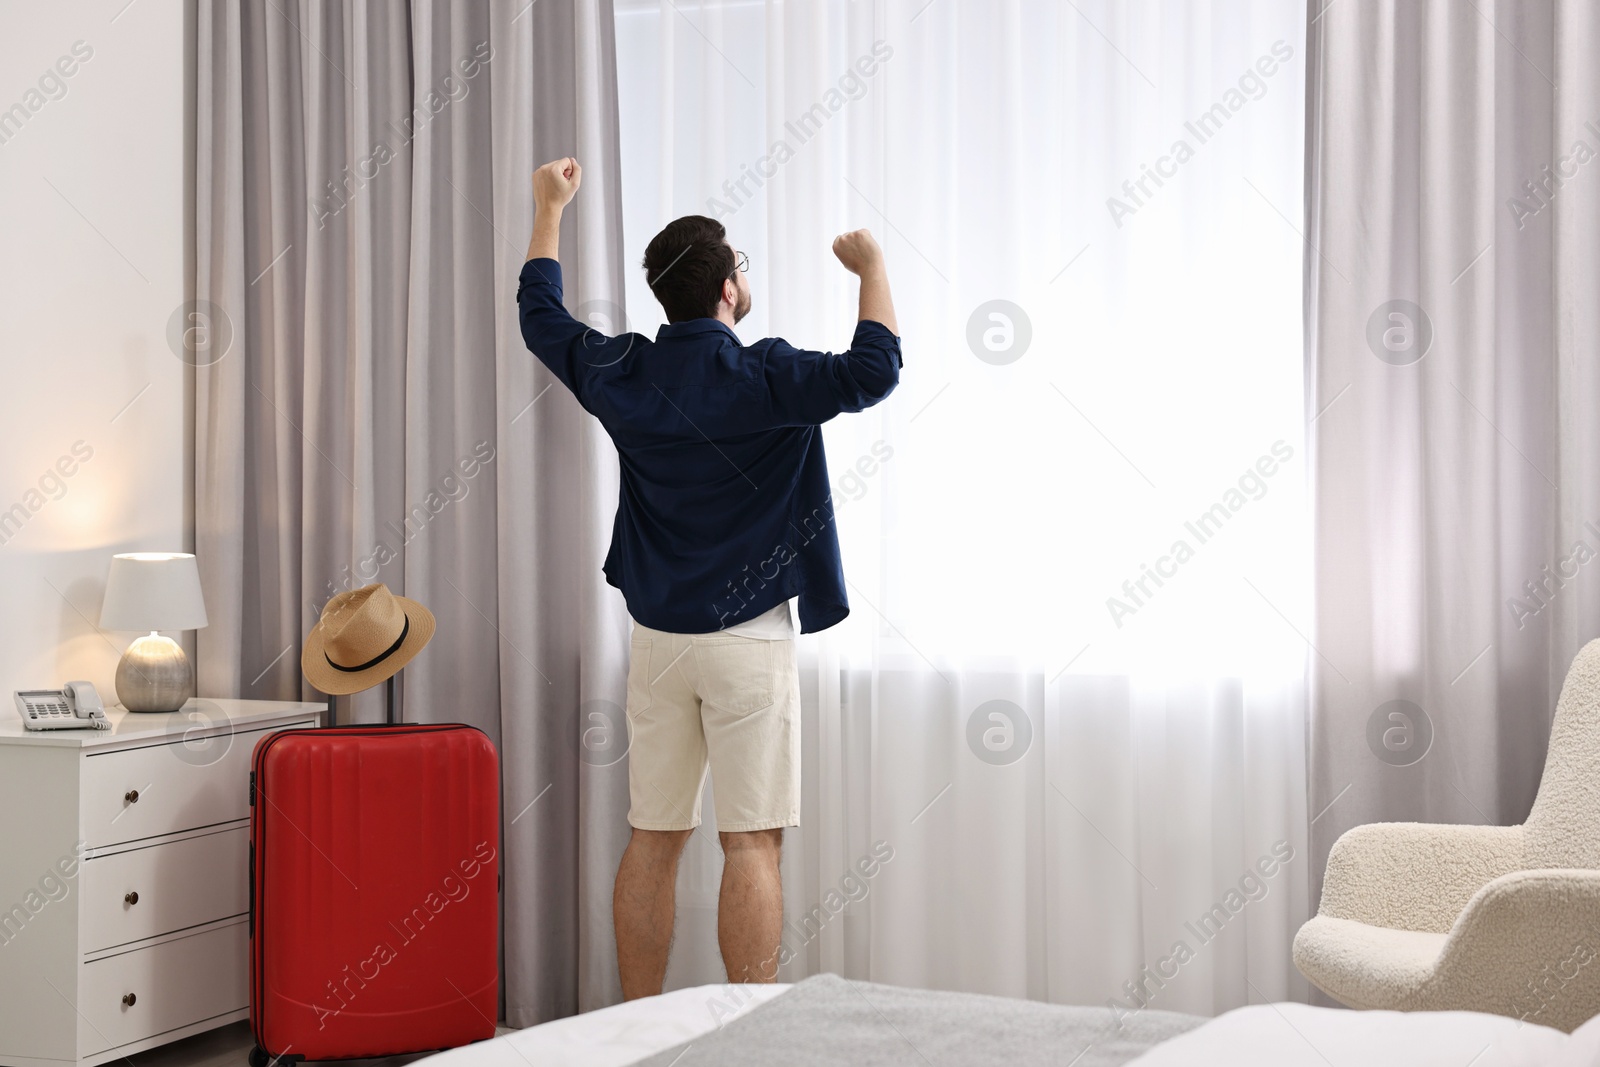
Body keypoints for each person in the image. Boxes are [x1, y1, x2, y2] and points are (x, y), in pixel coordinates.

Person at [516, 156, 901, 999]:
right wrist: (872, 269)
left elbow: (541, 319)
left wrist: (548, 208)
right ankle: (751, 1034)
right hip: (749, 646)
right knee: (751, 842)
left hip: (656, 643)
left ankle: (634, 1030)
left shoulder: (625, 371)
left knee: (654, 836)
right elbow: (877, 370)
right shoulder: (768, 375)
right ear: (727, 288)